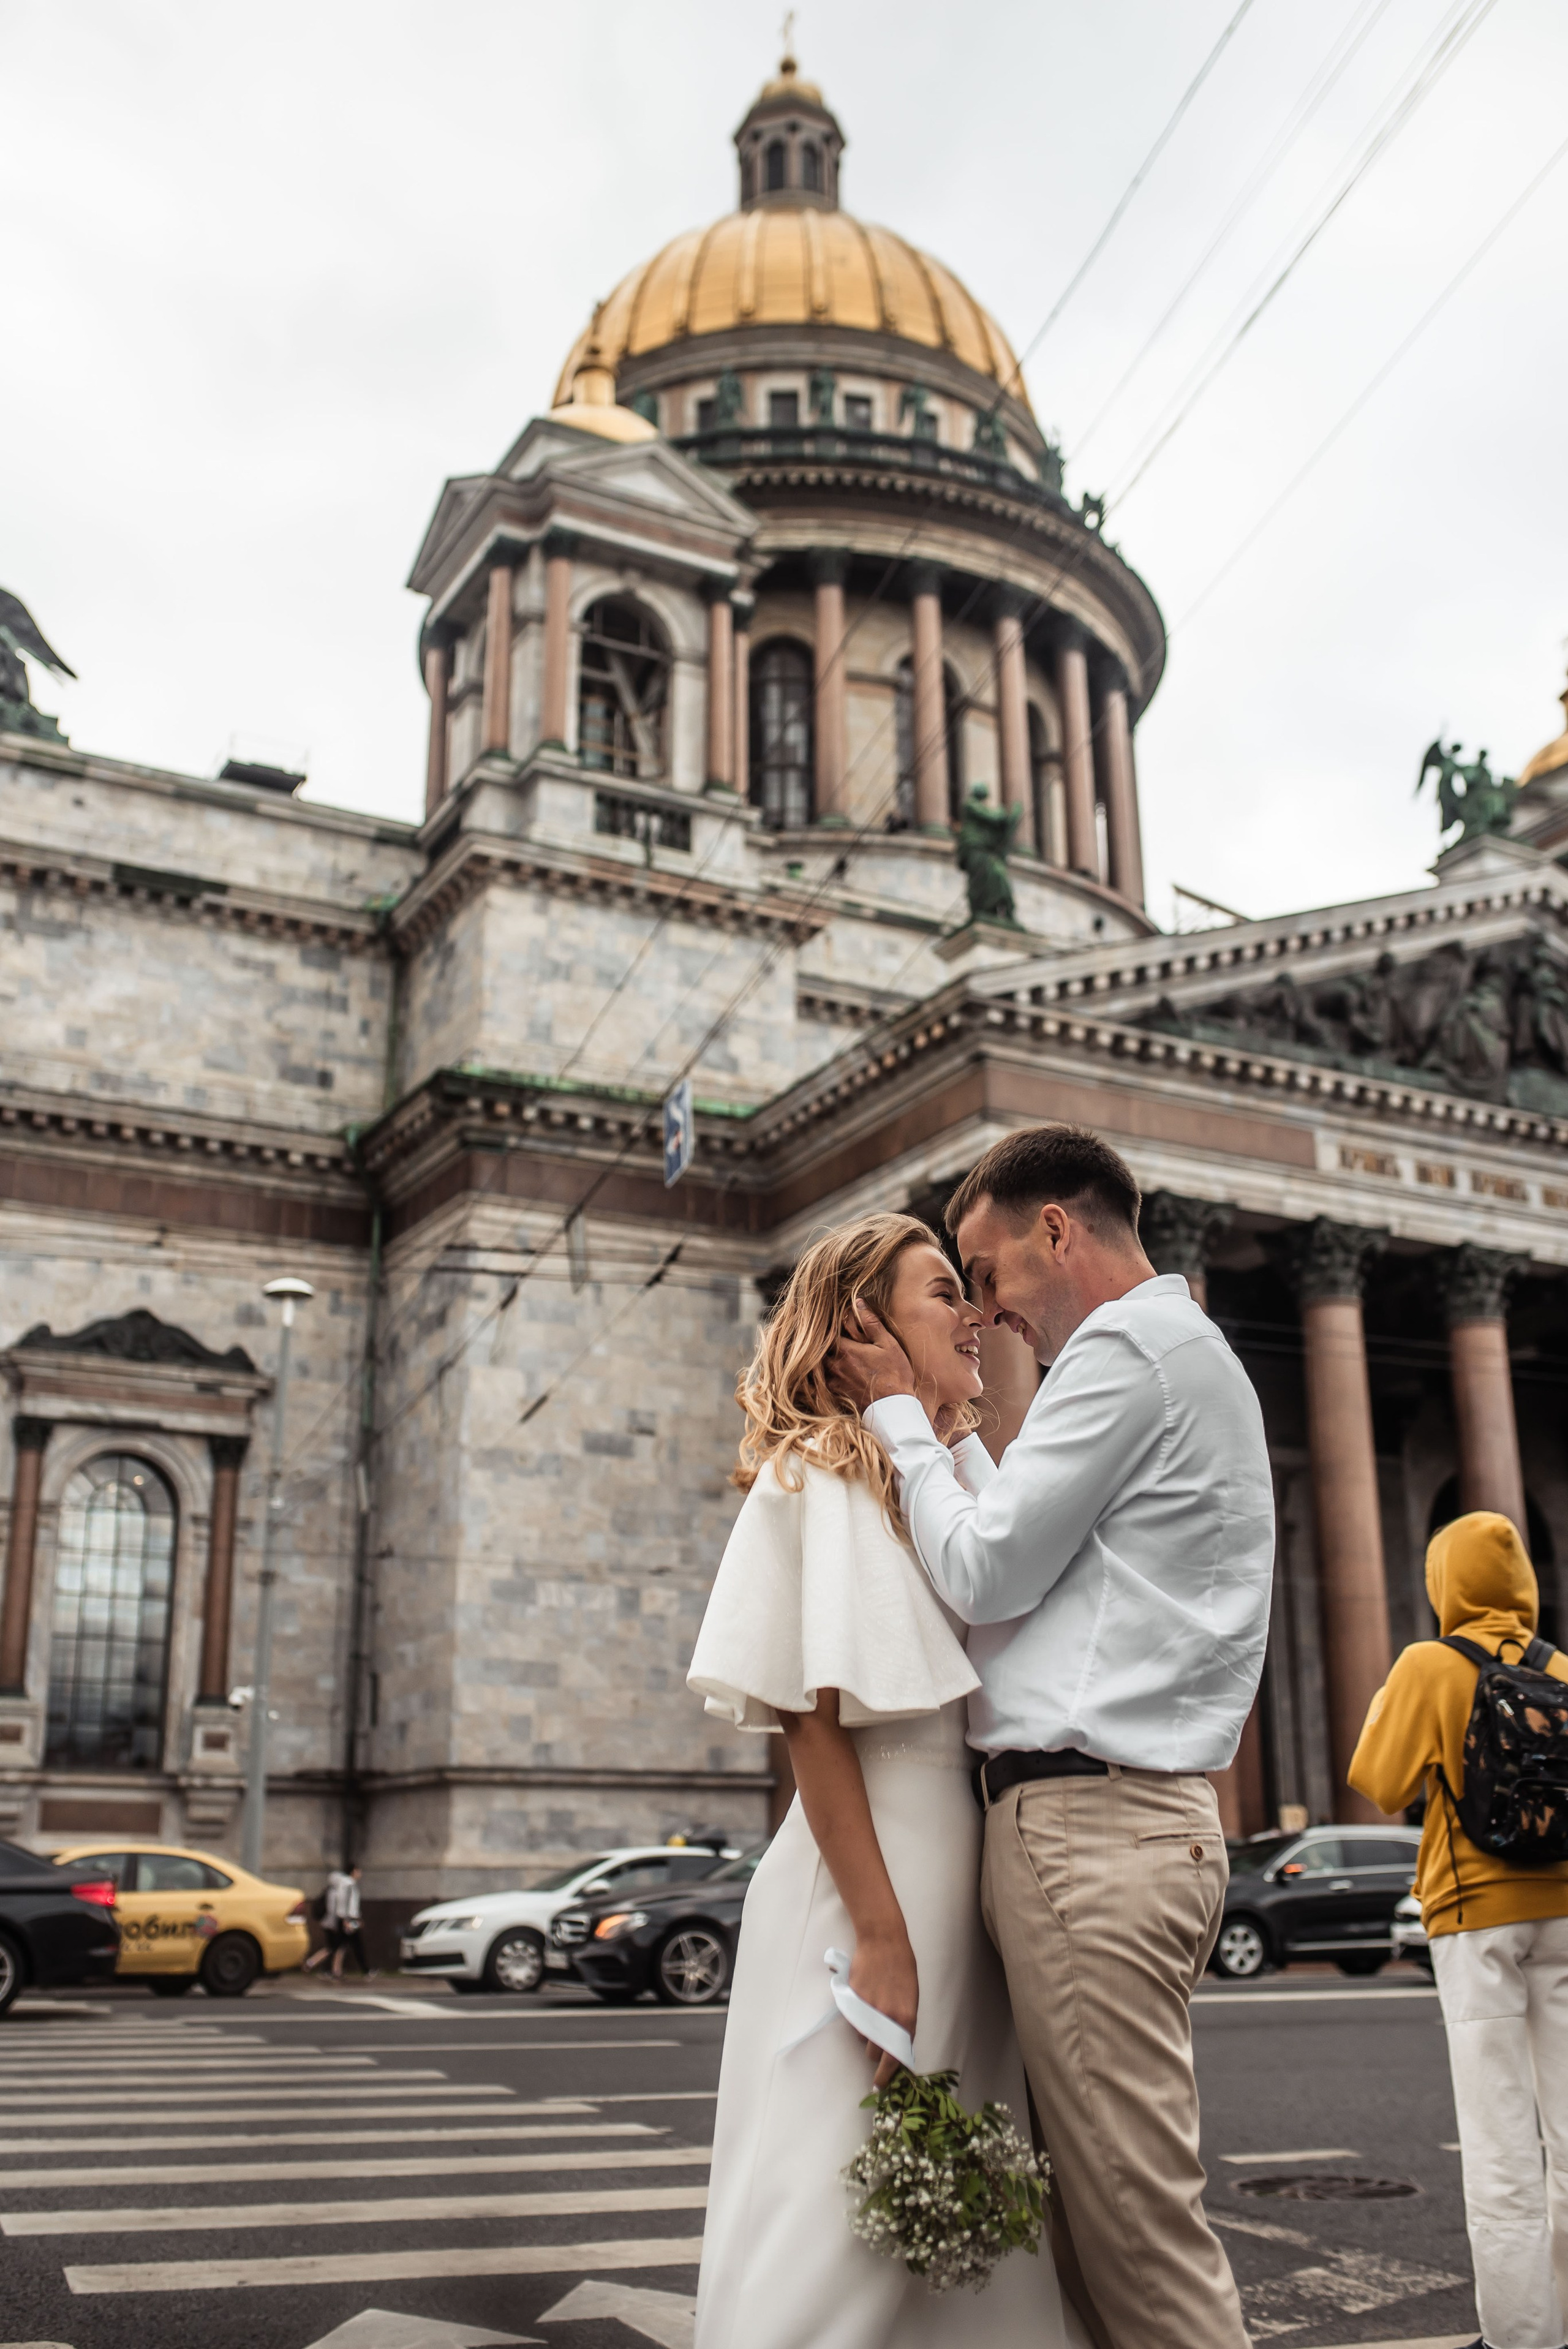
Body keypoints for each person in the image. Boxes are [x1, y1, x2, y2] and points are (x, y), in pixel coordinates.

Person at [831, 1126, 1274, 2349]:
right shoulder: (1181, 1355)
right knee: (1093, 2238)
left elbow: (979, 1572)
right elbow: (1029, 1563)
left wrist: (895, 1417)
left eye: (984, 1272)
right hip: (1127, 1826)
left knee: (1136, 2248)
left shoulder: (1125, 1347)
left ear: (1054, 1230)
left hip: (1089, 1831)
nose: (987, 1309)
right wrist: (954, 1422)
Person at [687, 1212, 1087, 2349]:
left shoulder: (937, 1479)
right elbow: (810, 1726)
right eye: (939, 1293)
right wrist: (880, 1934)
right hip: (869, 1884)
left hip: (957, 1877)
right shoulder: (819, 1471)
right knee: (834, 2208)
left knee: (951, 2204)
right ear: (860, 1325)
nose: (972, 1313)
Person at [1351, 1511, 1568, 2349]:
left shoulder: (1431, 1665)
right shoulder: (1561, 1670)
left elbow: (1379, 1779)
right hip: (1563, 1909)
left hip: (1476, 1917)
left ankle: (1521, 2338)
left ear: (1445, 1583)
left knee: (1500, 2140)